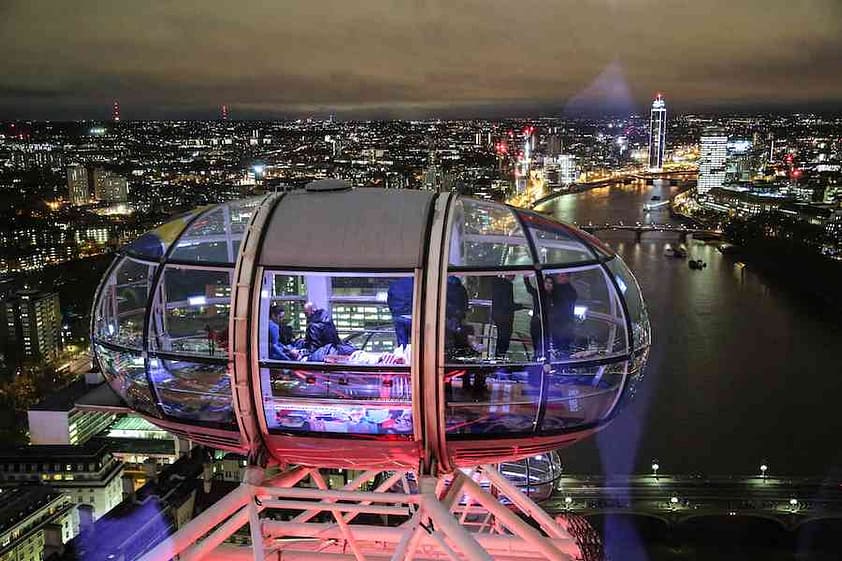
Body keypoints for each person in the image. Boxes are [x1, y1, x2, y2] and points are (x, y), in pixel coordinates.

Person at [491, 274, 521, 358]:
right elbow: (507, 304)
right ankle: (500, 357)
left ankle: (498, 357)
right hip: (505, 317)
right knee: (504, 339)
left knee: (500, 338)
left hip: (497, 315)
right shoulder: (507, 285)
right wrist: (521, 306)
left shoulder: (497, 283)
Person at [445, 275, 470, 356]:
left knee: (449, 333)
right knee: (456, 332)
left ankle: (449, 351)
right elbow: (466, 302)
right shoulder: (461, 288)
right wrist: (462, 313)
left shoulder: (445, 287)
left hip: (448, 315)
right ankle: (456, 351)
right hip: (458, 315)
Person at [387, 277, 413, 347]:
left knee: (402, 343)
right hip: (412, 316)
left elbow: (390, 300)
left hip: (399, 315)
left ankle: (404, 354)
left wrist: (394, 313)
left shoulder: (394, 285)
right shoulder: (414, 281)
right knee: (418, 340)